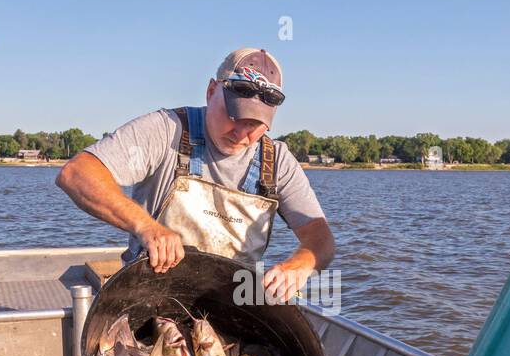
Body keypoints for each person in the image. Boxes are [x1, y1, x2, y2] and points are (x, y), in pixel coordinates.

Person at [54, 47, 334, 302]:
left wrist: (299, 265)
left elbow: (320, 238)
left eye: (255, 124)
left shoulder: (278, 161)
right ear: (212, 91)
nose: (241, 133)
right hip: (148, 298)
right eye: (234, 116)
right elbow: (78, 172)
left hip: (233, 305)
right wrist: (147, 227)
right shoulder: (166, 130)